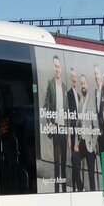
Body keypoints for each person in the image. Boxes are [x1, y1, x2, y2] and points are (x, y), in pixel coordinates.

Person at [41, 55, 68, 192]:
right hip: (56, 127)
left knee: (63, 162)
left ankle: (64, 190)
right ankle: (57, 191)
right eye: (55, 66)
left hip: (64, 128)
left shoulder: (64, 87)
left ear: (61, 68)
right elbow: (45, 105)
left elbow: (68, 111)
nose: (57, 69)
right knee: (57, 162)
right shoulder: (50, 84)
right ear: (53, 68)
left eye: (59, 66)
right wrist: (49, 122)